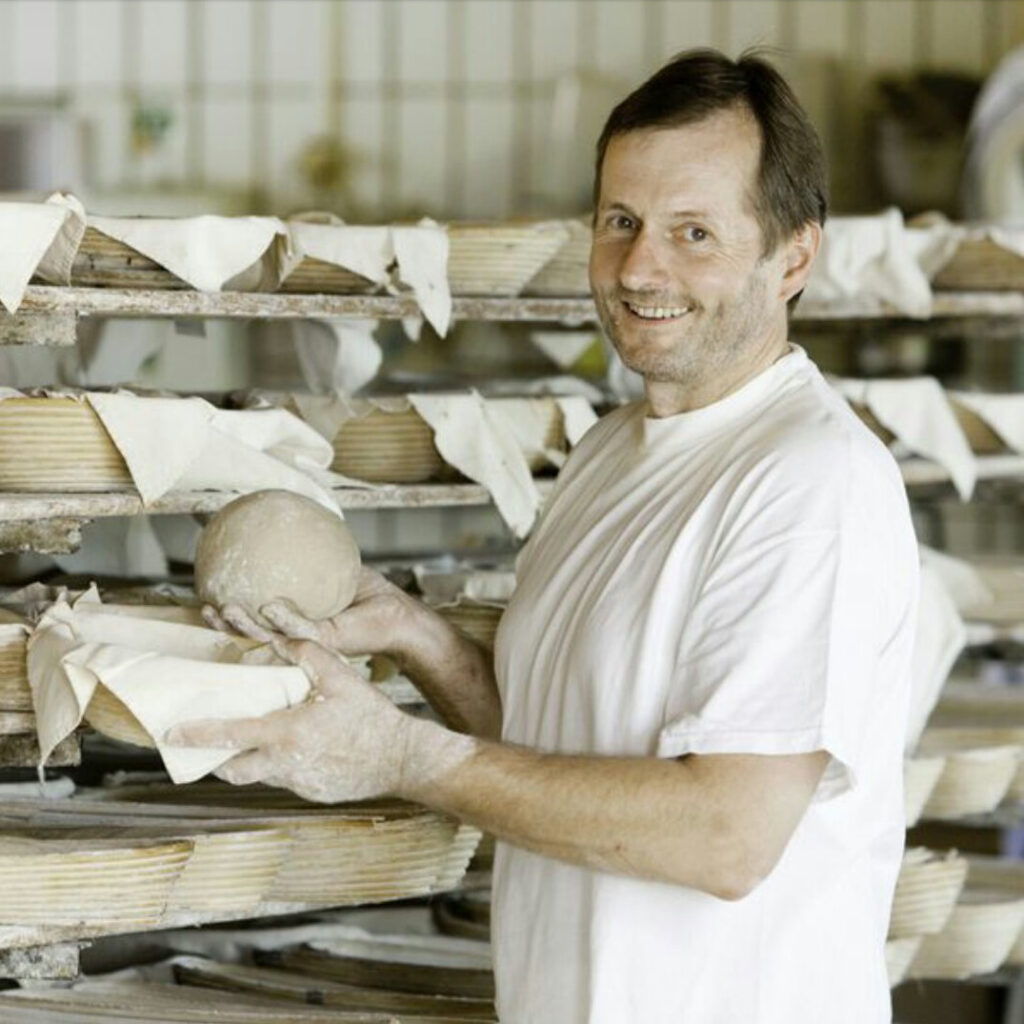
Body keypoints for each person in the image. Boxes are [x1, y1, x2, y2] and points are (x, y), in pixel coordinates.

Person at [169, 49, 920, 1024]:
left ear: (793, 257)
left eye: (693, 232)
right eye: (620, 223)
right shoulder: (613, 451)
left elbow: (726, 837)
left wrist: (397, 755)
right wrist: (420, 639)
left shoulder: (811, 480)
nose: (641, 268)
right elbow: (555, 748)